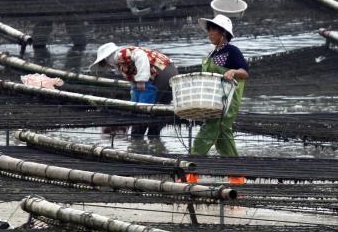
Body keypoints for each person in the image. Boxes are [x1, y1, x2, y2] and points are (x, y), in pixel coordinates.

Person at [190, 15, 249, 158]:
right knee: (223, 136)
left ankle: (190, 167)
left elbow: (245, 72)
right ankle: (236, 173)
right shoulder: (212, 53)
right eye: (208, 30)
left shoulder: (232, 51)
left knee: (208, 131)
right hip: (212, 100)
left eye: (212, 30)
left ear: (222, 32)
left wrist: (233, 71)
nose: (209, 33)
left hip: (226, 101)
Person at [90, 42, 178, 137]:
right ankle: (154, 139)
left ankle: (137, 139)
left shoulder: (120, 54)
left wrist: (141, 80)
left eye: (103, 63)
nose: (107, 66)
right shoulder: (123, 58)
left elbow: (141, 56)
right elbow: (133, 77)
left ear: (107, 59)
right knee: (160, 108)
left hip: (161, 74)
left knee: (141, 110)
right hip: (170, 71)